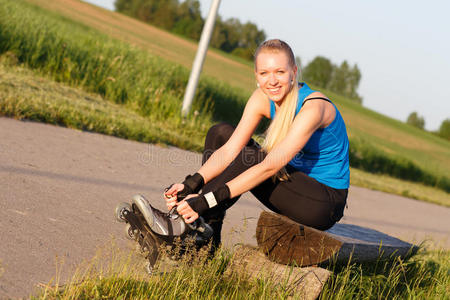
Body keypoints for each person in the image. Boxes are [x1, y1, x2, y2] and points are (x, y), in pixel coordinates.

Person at [138, 39, 349, 254]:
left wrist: (205, 200)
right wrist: (191, 184)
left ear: (293, 72)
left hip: (323, 203)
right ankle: (206, 239)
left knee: (254, 157)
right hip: (291, 182)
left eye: (280, 72)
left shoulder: (313, 108)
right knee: (220, 133)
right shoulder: (261, 98)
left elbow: (269, 167)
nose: (272, 80)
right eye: (264, 73)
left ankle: (187, 225)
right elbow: (230, 149)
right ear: (256, 76)